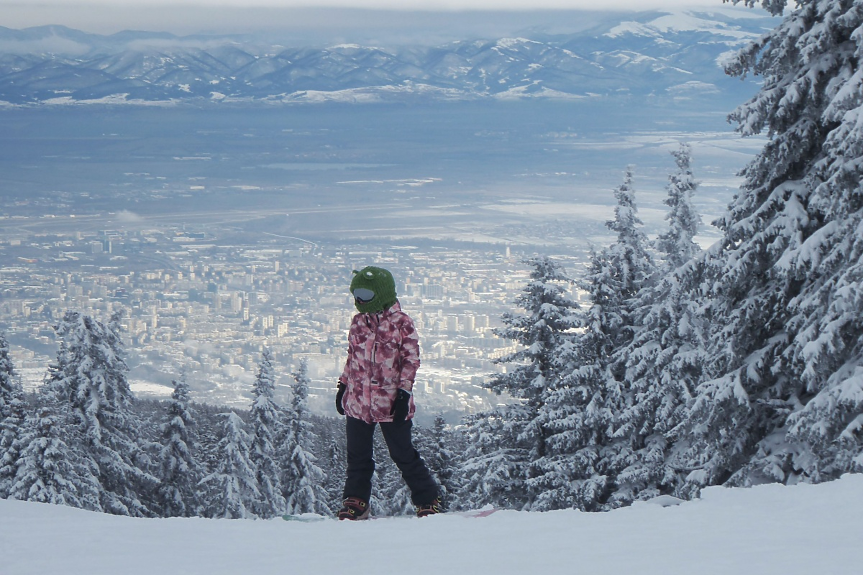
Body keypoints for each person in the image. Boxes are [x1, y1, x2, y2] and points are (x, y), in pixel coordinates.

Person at [335, 265, 441, 520]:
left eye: (366, 294)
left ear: (381, 293)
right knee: (358, 455)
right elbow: (353, 358)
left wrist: (404, 393)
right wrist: (343, 385)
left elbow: (411, 359)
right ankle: (356, 501)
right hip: (359, 401)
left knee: (402, 453)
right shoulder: (358, 322)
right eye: (356, 293)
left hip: (390, 403)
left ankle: (428, 499)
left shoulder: (401, 323)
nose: (360, 300)